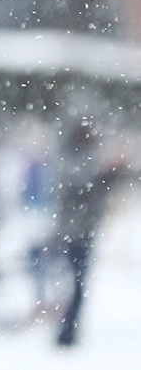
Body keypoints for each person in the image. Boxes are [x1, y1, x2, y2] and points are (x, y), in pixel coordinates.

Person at [47, 116, 127, 346]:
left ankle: (69, 331)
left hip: (84, 230)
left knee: (79, 286)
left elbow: (97, 190)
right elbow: (76, 185)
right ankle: (65, 332)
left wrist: (113, 172)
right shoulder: (68, 156)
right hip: (70, 232)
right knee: (72, 285)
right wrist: (102, 172)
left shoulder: (88, 156)